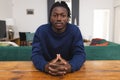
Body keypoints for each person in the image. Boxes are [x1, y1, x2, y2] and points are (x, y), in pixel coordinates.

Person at [31, 1, 86, 76]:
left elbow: (80, 54)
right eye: (55, 15)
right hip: (45, 71)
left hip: (69, 72)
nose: (59, 19)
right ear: (50, 17)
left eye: (63, 15)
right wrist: (46, 66)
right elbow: (36, 54)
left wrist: (70, 66)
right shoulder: (41, 31)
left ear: (67, 18)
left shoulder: (74, 30)